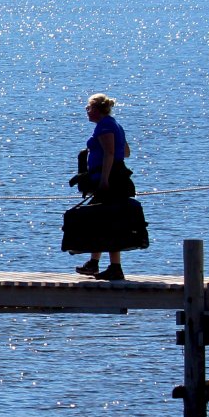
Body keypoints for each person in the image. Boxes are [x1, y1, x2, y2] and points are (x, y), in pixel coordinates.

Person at [75, 92, 134, 280]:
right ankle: (94, 263)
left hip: (110, 180)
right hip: (115, 177)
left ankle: (115, 267)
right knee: (100, 220)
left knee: (108, 222)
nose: (87, 111)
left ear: (97, 109)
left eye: (89, 108)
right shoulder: (113, 124)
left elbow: (110, 152)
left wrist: (104, 180)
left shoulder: (105, 126)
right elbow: (125, 152)